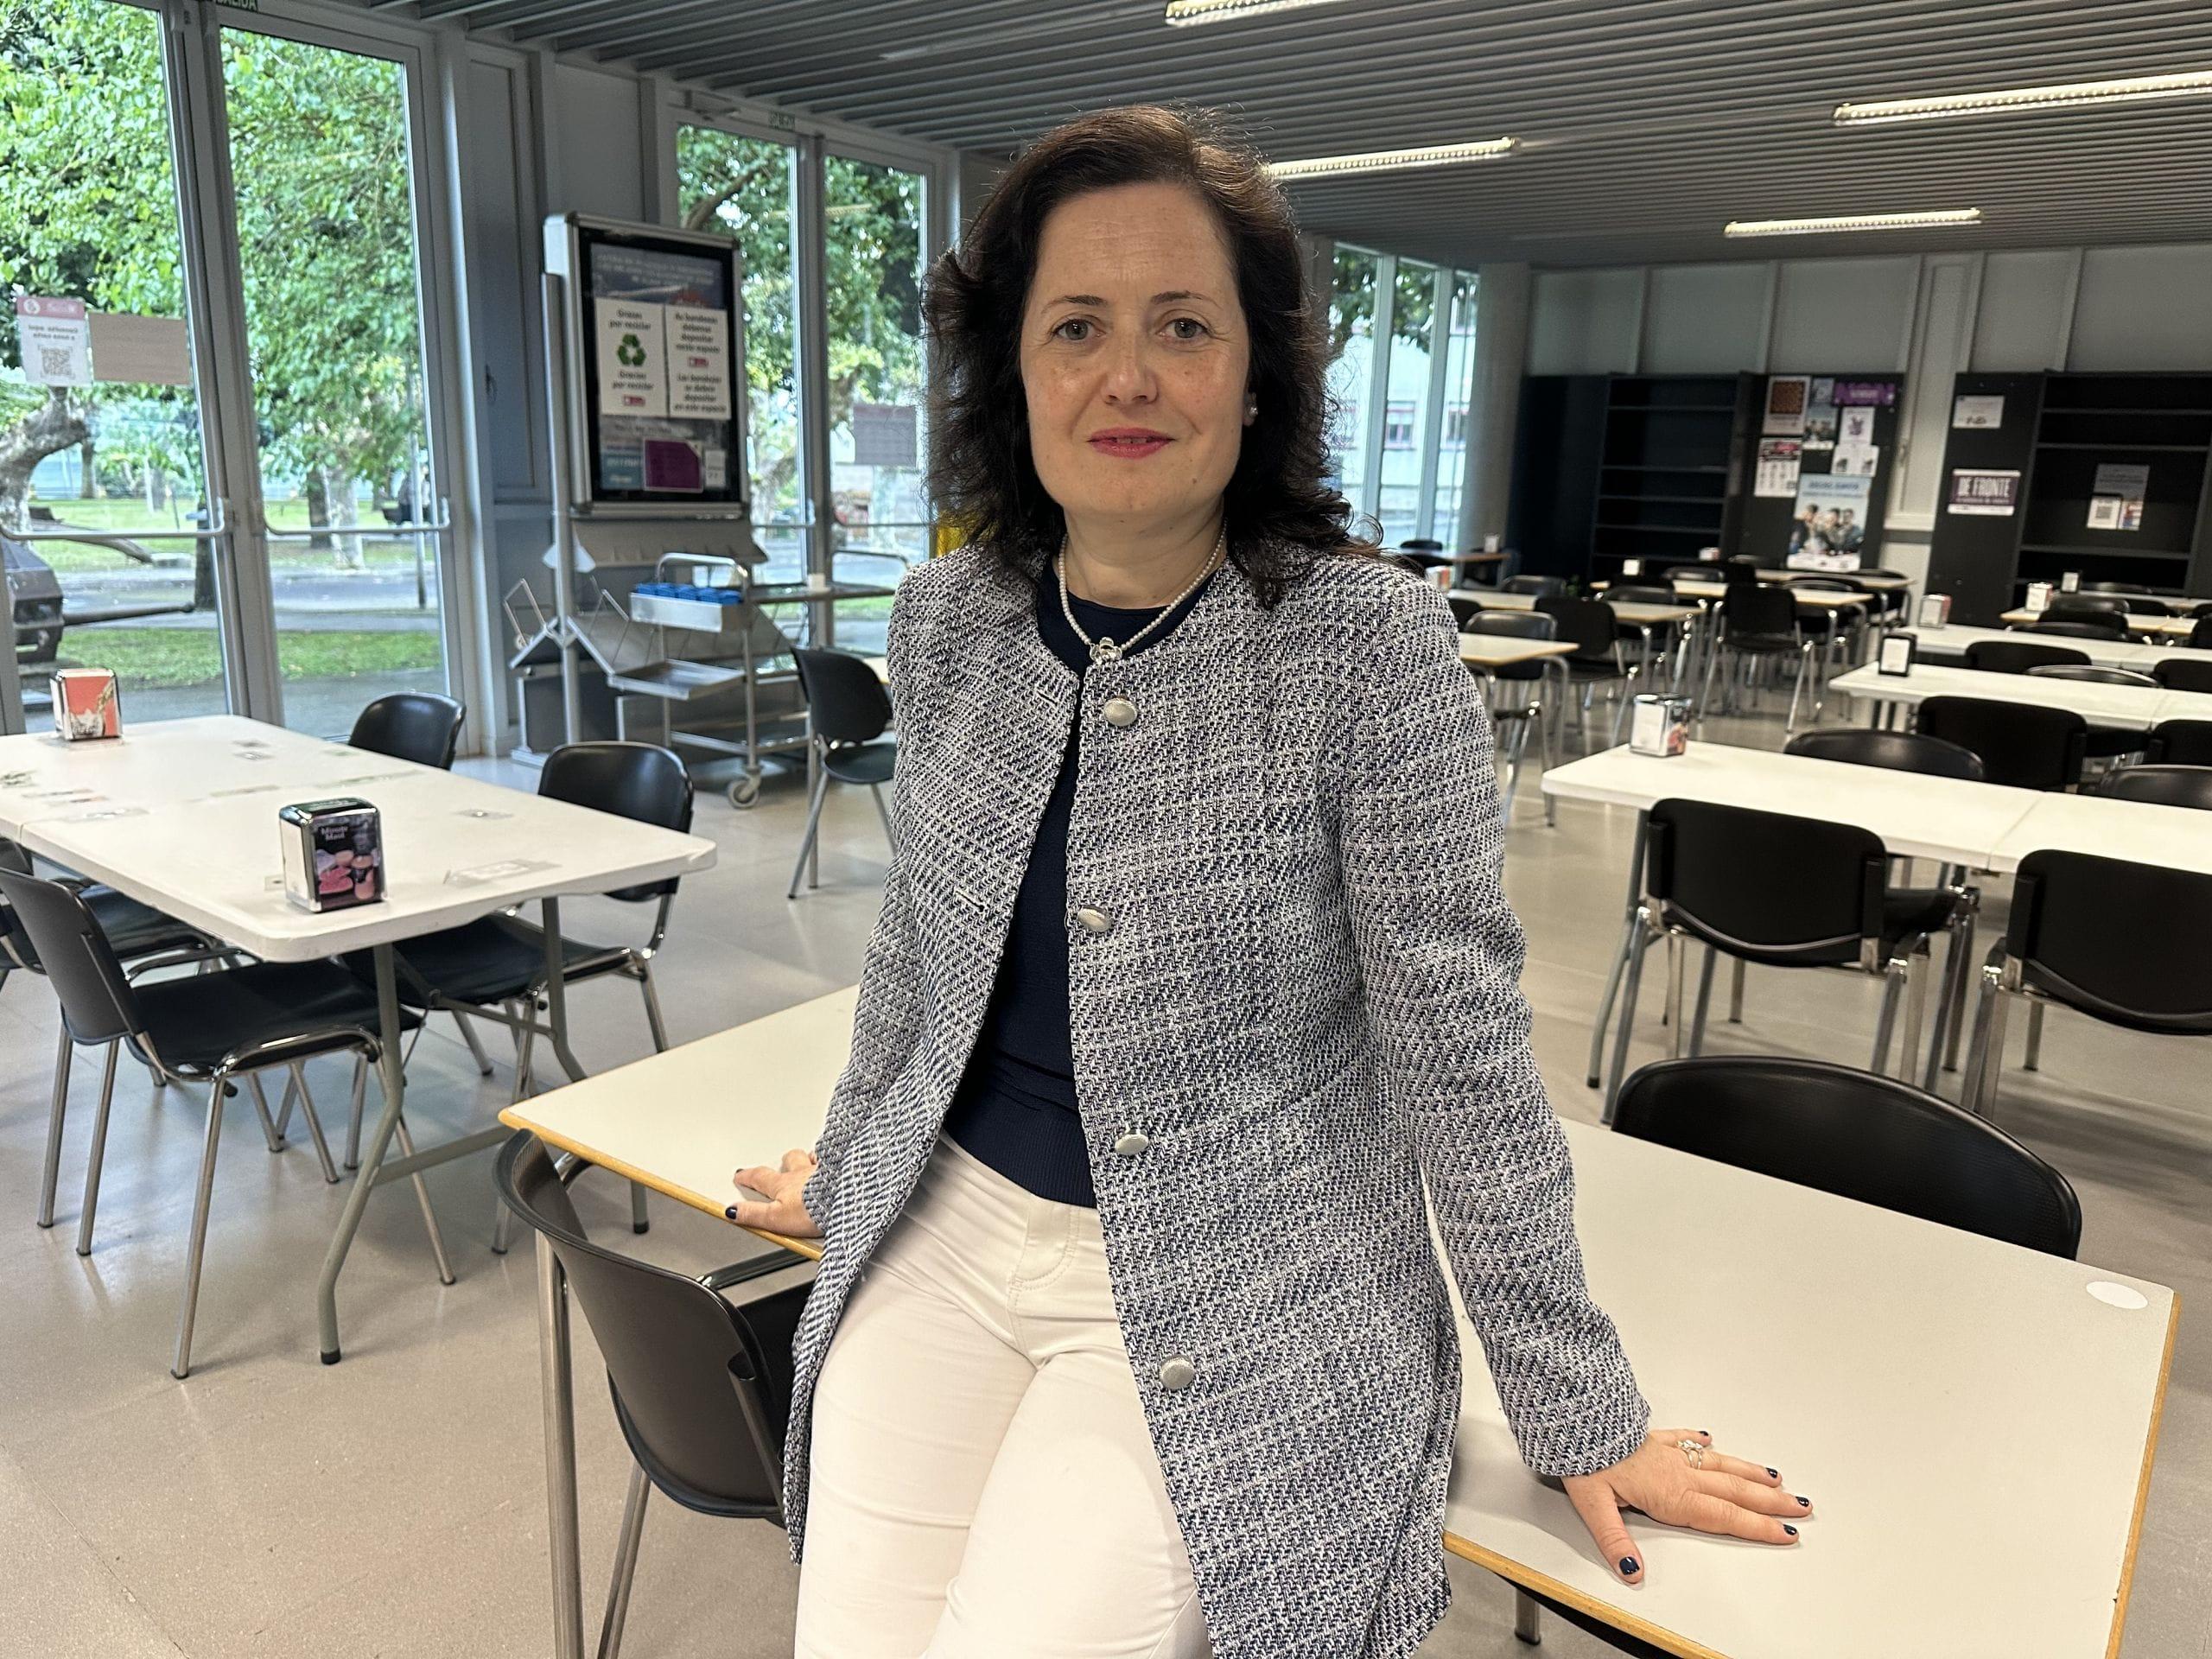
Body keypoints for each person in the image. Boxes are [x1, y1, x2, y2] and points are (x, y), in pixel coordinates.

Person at [733, 106, 1806, 1659]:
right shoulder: (950, 617)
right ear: (1015, 374)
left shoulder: (1365, 646)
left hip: (1239, 1278)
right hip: (951, 1228)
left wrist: (1580, 1405)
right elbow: (922, 956)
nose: (1129, 375)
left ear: (1256, 376)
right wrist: (854, 1163)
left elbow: (1463, 1054)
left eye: (1183, 325)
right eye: (1077, 327)